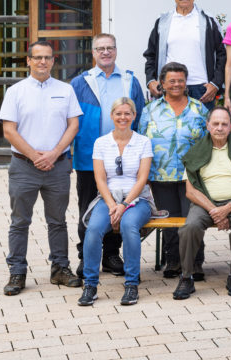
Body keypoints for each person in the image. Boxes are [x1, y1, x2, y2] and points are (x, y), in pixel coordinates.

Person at [0, 40, 82, 296]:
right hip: (24, 167)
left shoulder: (65, 90)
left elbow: (73, 125)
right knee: (20, 221)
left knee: (58, 221)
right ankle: (17, 272)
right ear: (29, 61)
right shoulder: (16, 91)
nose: (42, 62)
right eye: (37, 57)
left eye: (47, 57)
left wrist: (54, 154)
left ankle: (60, 268)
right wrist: (35, 156)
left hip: (58, 166)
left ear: (53, 61)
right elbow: (9, 130)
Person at [70, 33, 145, 279]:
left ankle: (111, 255)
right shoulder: (80, 82)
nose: (105, 52)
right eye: (100, 48)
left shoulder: (130, 81)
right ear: (93, 52)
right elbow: (70, 120)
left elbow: (140, 117)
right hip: (89, 157)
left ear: (116, 50)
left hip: (123, 157)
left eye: (110, 48)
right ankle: (86, 256)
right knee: (88, 208)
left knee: (119, 204)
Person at [175, 106, 231, 299]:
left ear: (230, 126)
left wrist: (228, 208)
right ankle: (186, 277)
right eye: (216, 123)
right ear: (208, 125)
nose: (220, 128)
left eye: (224, 124)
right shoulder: (196, 151)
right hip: (205, 203)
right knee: (189, 227)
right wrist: (215, 211)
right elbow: (190, 191)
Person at [78, 97, 153, 306]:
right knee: (93, 229)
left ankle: (131, 284)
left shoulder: (143, 142)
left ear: (134, 116)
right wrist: (112, 205)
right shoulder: (101, 143)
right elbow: (100, 179)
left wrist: (124, 204)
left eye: (127, 113)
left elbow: (142, 179)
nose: (123, 117)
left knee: (129, 225)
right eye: (118, 113)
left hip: (137, 199)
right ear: (111, 116)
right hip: (108, 198)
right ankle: (90, 285)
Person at [138, 62, 209, 278]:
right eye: (172, 81)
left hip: (193, 176)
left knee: (193, 220)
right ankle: (174, 261)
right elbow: (141, 143)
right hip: (161, 175)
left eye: (180, 80)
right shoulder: (150, 110)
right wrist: (143, 176)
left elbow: (210, 141)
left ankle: (195, 263)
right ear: (162, 83)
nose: (176, 84)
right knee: (169, 221)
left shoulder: (199, 109)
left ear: (186, 82)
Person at [143, 0, 226, 102]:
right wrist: (151, 80)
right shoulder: (162, 22)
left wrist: (216, 83)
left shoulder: (208, 21)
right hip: (170, 88)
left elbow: (222, 54)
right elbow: (150, 55)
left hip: (202, 89)